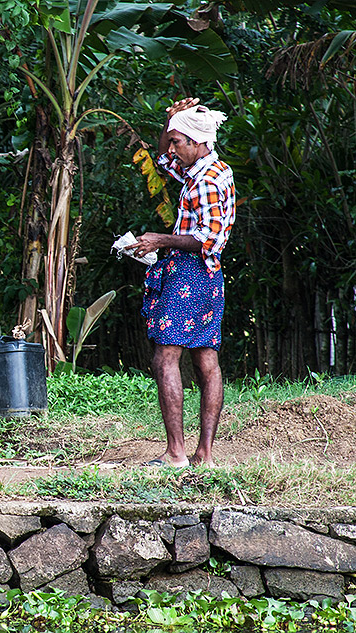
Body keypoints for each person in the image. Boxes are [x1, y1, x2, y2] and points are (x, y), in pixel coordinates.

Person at [129, 97, 236, 468]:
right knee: (207, 359)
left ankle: (176, 453)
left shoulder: (204, 181)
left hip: (191, 273)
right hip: (209, 276)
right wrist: (172, 120)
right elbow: (162, 163)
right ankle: (204, 454)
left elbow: (210, 238)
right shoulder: (209, 169)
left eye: (177, 141)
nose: (171, 147)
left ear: (196, 142)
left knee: (165, 359)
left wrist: (160, 240)